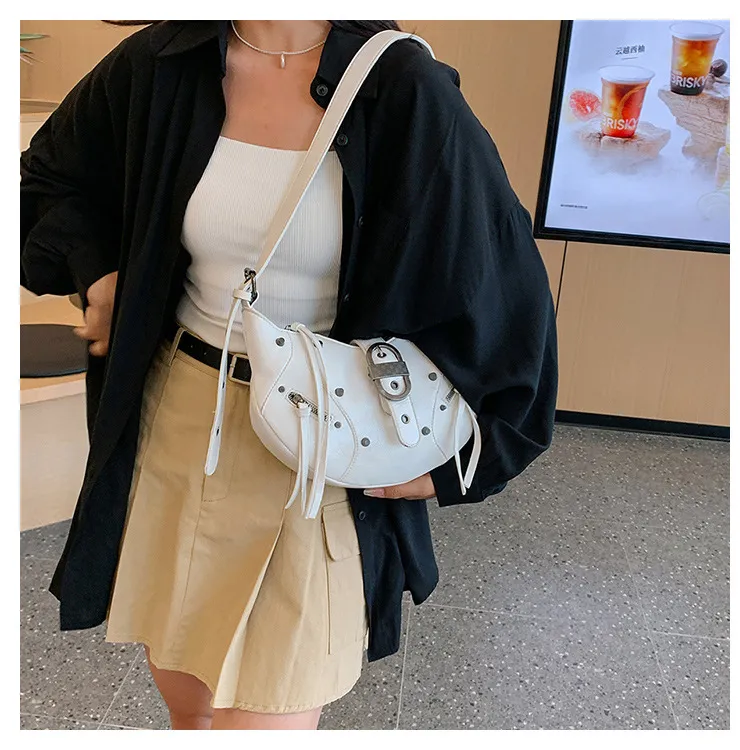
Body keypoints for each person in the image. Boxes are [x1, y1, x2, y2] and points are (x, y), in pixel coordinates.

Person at [20, 20, 558, 730]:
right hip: (176, 419)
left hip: (318, 444)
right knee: (191, 711)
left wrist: (474, 459)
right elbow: (49, 178)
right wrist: (99, 272)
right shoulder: (163, 61)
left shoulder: (402, 87)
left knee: (266, 713)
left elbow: (504, 280)